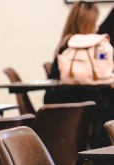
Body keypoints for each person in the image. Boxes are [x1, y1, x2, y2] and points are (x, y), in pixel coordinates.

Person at [45, 1, 114, 148]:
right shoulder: (92, 45)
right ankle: (102, 154)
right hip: (80, 105)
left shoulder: (64, 44)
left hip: (64, 102)